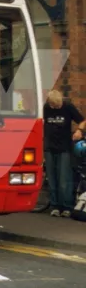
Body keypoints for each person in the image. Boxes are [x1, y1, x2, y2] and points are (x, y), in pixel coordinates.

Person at [43, 89, 86, 217]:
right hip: (49, 146)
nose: (56, 107)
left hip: (65, 147)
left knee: (64, 179)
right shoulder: (46, 108)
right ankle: (55, 205)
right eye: (54, 106)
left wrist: (79, 131)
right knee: (52, 178)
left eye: (58, 105)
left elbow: (82, 120)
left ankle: (67, 206)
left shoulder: (68, 107)